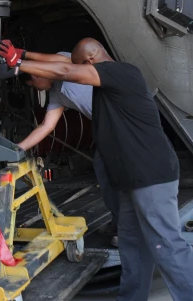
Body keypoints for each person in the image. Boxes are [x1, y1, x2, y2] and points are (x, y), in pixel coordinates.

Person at [0, 38, 193, 301]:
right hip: (127, 174)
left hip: (149, 174)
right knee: (132, 241)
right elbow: (61, 66)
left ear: (92, 61)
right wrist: (23, 55)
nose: (81, 75)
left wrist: (17, 63)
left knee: (169, 245)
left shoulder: (123, 73)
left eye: (84, 68)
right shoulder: (100, 78)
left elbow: (66, 69)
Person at [16, 48, 119, 220]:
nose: (37, 89)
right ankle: (120, 222)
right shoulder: (57, 94)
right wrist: (18, 148)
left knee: (127, 179)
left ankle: (133, 224)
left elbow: (63, 64)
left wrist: (23, 55)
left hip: (123, 122)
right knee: (106, 176)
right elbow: (46, 126)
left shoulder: (66, 61)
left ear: (35, 76)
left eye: (33, 85)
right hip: (107, 131)